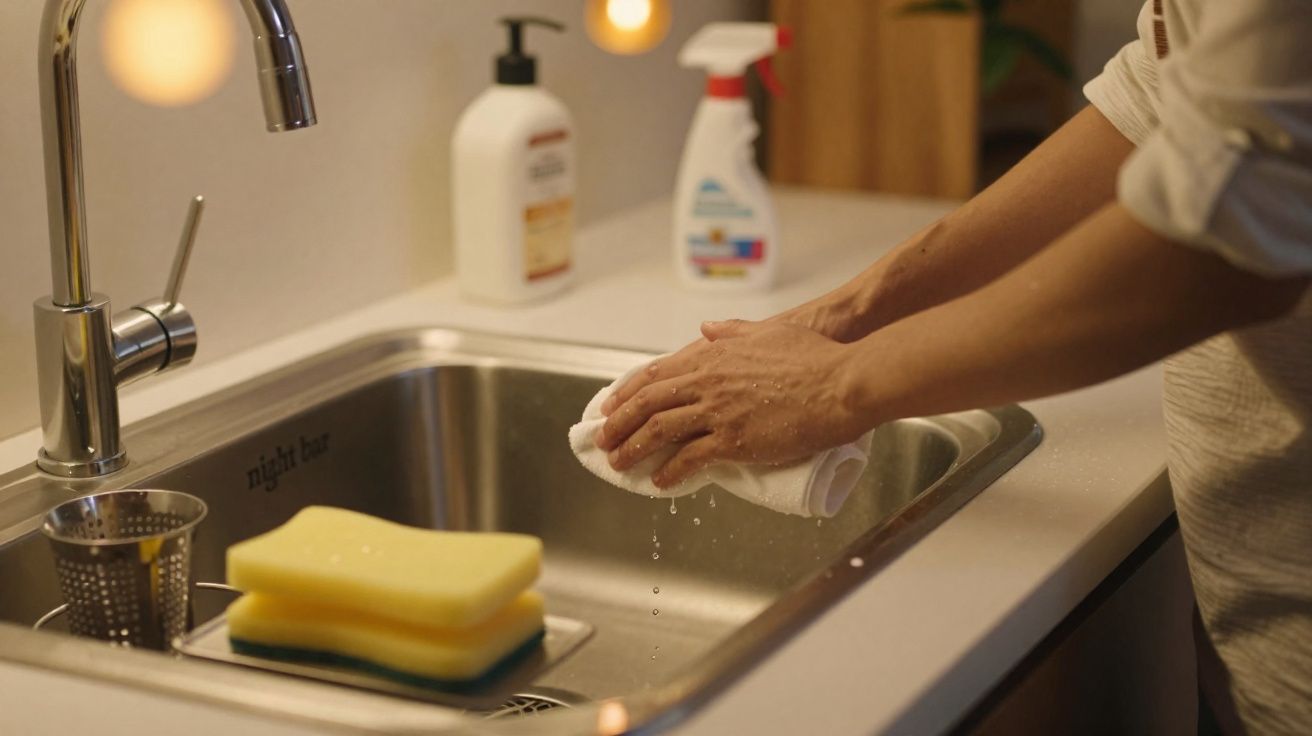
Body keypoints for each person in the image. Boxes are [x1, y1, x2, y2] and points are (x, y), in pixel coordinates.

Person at [593, 2, 1311, 733]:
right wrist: (841, 317)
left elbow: (1231, 234)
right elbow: (1163, 98)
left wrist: (833, 383)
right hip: (1257, 614)